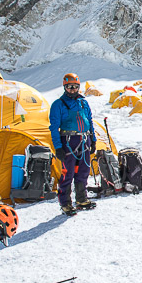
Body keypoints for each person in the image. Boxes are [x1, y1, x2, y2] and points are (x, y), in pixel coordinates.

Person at [49, 73, 97, 216]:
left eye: (75, 86)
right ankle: (66, 203)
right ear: (64, 87)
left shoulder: (83, 103)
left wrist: (93, 139)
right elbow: (54, 128)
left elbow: (90, 121)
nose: (72, 89)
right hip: (68, 141)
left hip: (84, 140)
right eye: (69, 86)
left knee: (83, 171)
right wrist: (58, 147)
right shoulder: (58, 104)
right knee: (67, 173)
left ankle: (82, 199)